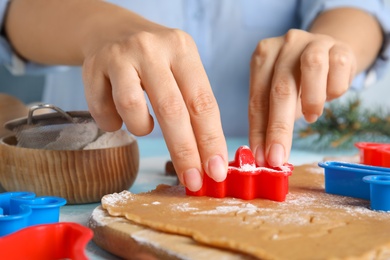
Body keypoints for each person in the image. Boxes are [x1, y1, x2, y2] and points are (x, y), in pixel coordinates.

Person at [1, 0, 389, 192]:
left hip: (300, 167)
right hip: (84, 175)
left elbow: (361, 8)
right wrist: (98, 30)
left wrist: (333, 47)